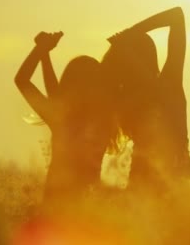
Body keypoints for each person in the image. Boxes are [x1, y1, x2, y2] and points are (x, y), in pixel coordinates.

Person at [15, 31, 118, 202]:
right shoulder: (105, 121)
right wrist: (43, 53)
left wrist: (41, 50)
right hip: (90, 213)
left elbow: (22, 80)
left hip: (57, 211)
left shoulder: (61, 119)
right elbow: (54, 94)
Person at [102, 7, 190, 192]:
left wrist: (127, 38)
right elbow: (177, 16)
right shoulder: (169, 85)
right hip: (173, 191)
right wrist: (131, 33)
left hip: (144, 192)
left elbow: (176, 15)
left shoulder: (126, 99)